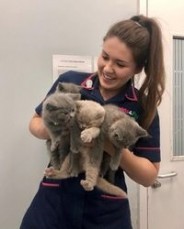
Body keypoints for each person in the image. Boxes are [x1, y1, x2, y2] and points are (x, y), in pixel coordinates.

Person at [20, 14, 165, 229]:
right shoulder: (70, 82)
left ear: (137, 68)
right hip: (53, 203)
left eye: (120, 64)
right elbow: (35, 122)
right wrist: (57, 129)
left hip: (105, 212)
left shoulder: (143, 107)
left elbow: (148, 175)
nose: (107, 68)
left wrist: (112, 146)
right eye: (105, 56)